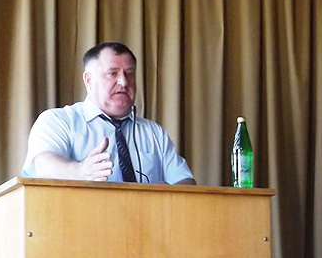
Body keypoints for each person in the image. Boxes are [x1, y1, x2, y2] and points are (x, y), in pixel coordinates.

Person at [22, 42, 196, 185]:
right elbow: (43, 166)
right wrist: (80, 171)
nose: (124, 82)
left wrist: (167, 191)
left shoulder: (154, 133)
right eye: (112, 74)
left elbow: (185, 180)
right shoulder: (58, 121)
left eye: (129, 74)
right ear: (88, 80)